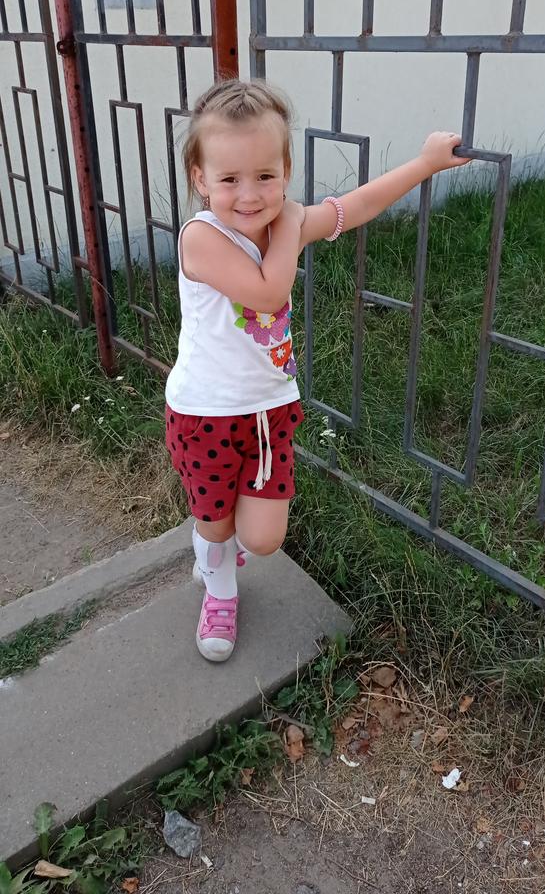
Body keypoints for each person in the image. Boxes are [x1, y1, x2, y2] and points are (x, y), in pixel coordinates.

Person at [165, 78, 469, 663]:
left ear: (285, 170)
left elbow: (357, 207)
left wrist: (425, 164)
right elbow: (268, 292)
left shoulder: (283, 222)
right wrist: (291, 223)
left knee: (263, 538)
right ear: (200, 179)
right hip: (205, 414)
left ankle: (219, 548)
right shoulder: (201, 238)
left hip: (270, 410)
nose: (249, 195)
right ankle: (217, 581)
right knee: (217, 527)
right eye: (229, 179)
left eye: (265, 176)